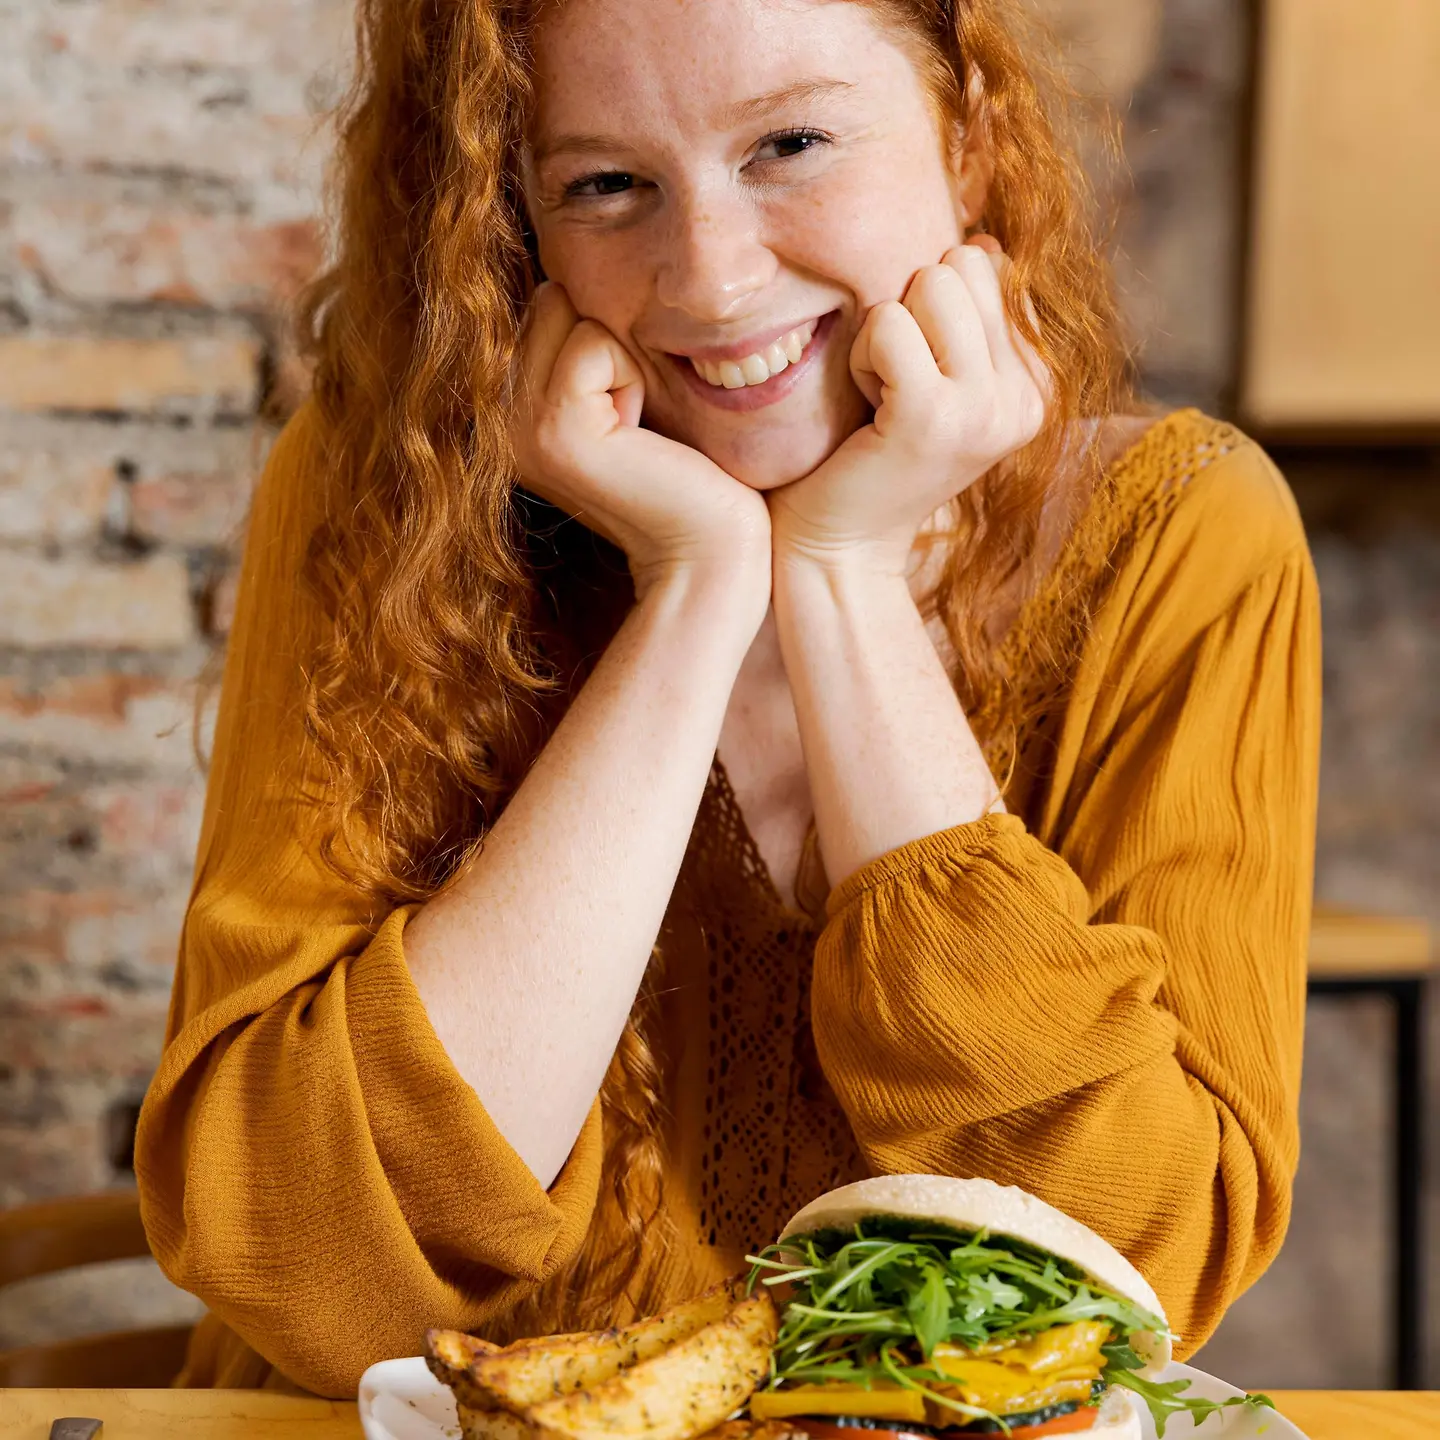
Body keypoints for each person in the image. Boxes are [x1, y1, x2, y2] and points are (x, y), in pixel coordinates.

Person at [134, 0, 1320, 1401]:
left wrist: (840, 577)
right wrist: (695, 590)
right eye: (607, 185)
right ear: (517, 222)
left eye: (793, 144)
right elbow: (306, 1273)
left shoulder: (1182, 537)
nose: (708, 277)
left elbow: (1134, 1274)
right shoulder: (380, 501)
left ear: (972, 141)